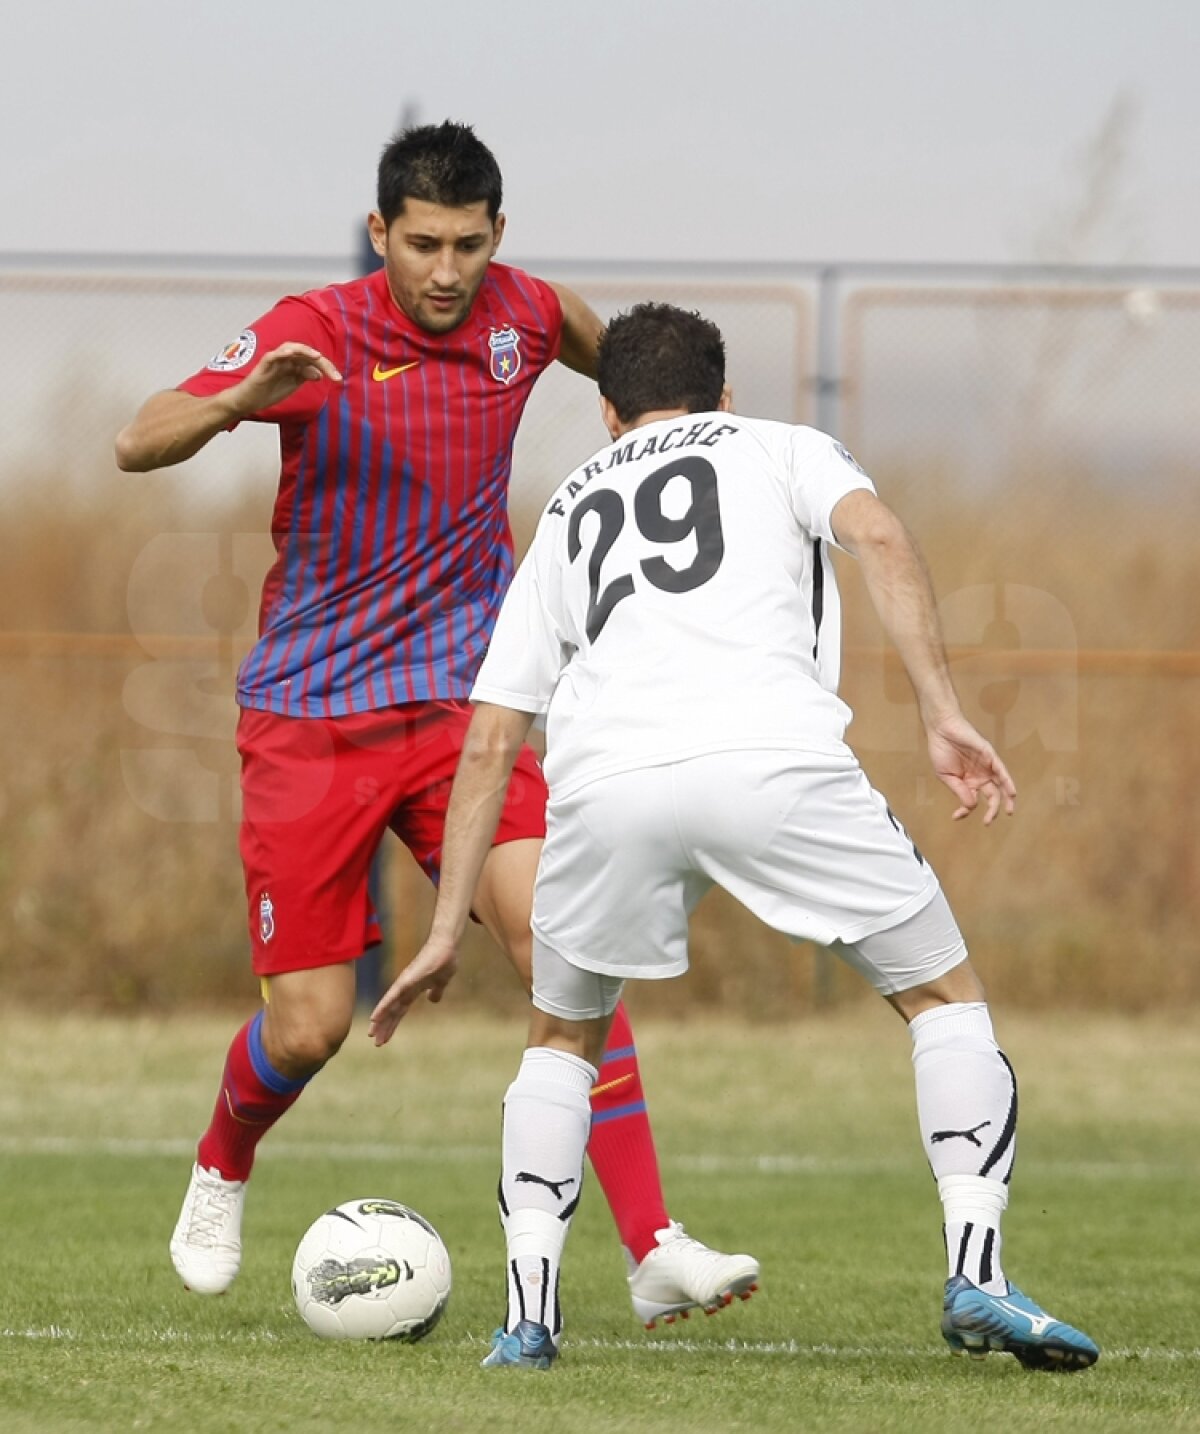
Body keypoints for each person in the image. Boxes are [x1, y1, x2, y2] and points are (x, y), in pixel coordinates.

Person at [367, 302, 1101, 1373]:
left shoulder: (570, 505)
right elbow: (883, 535)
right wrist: (942, 711)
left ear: (609, 415)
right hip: (774, 762)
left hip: (603, 785)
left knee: (562, 1040)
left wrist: (441, 928)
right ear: (723, 394)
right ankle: (977, 1277)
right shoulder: (781, 445)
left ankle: (529, 1319)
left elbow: (490, 737)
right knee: (944, 999)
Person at [114, 124, 757, 1323]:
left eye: (468, 243)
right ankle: (222, 1161)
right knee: (307, 1028)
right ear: (381, 236)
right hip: (309, 719)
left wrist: (709, 446)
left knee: (567, 951)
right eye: (423, 245)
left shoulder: (527, 316)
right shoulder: (317, 328)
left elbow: (635, 383)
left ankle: (653, 1243)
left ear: (498, 236)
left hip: (469, 711)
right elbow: (134, 437)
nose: (447, 271)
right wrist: (238, 405)